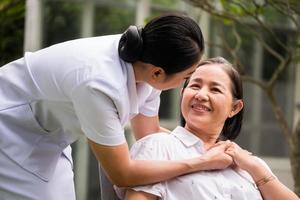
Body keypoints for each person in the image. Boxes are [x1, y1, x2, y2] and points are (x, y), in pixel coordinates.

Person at [0, 13, 229, 200]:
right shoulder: (98, 84)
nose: (186, 85)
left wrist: (205, 147)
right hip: (10, 129)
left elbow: (147, 134)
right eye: (187, 77)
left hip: (48, 134)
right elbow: (123, 173)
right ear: (158, 73)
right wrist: (202, 161)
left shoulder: (148, 61)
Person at [116, 57, 300, 200]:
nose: (201, 95)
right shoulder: (158, 146)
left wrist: (254, 167)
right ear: (182, 95)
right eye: (195, 85)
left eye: (215, 89)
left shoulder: (250, 165)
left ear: (234, 108)